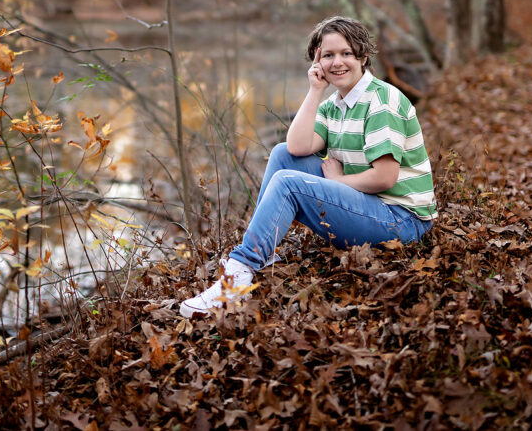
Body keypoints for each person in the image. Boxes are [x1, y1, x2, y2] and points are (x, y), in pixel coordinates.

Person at [179, 16, 437, 318]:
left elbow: (385, 176)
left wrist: (338, 181)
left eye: (346, 54)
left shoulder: (381, 102)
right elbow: (297, 148)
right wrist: (315, 90)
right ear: (317, 60)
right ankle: (263, 253)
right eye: (328, 55)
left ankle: (239, 273)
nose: (337, 62)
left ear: (363, 57)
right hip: (369, 206)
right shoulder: (335, 104)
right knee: (282, 156)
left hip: (402, 221)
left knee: (289, 182)